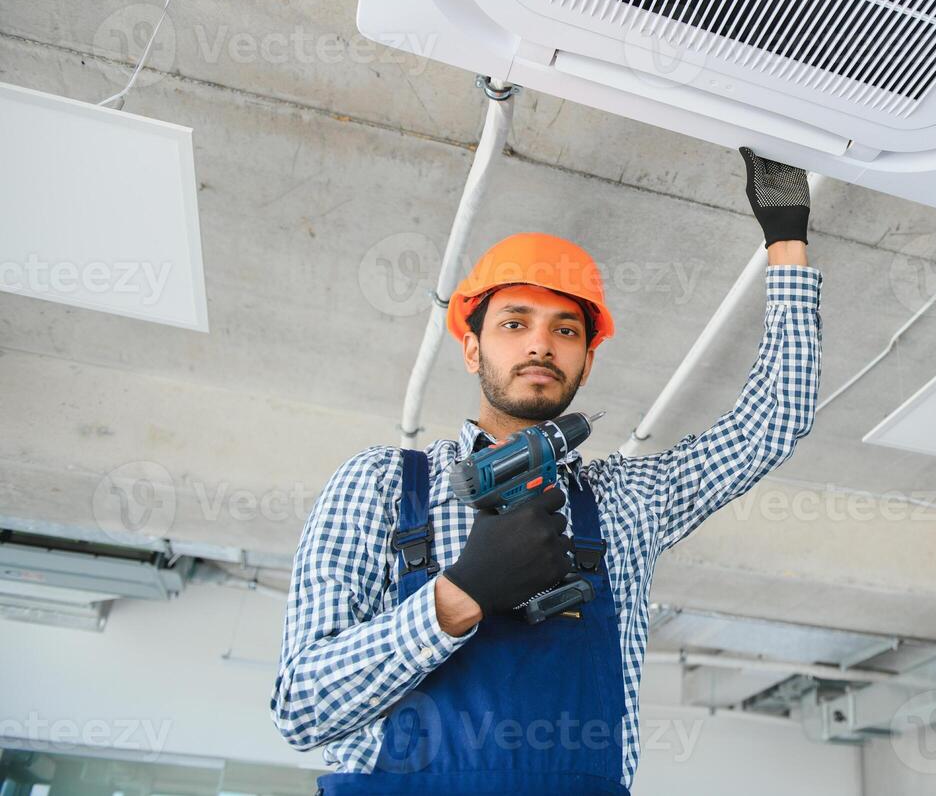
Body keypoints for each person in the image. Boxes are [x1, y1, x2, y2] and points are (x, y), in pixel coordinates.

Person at [271, 147, 823, 795]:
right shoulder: (384, 484)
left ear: (587, 361)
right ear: (473, 346)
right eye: (514, 322)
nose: (540, 343)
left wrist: (786, 240)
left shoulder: (629, 499)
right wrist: (456, 598)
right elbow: (302, 711)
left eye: (565, 330)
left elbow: (773, 420)